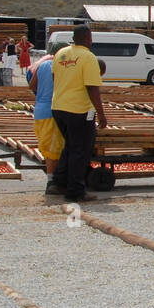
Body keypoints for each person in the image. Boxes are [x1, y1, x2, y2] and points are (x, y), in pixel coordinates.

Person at [50, 25, 108, 203]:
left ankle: (59, 183)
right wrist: (101, 114)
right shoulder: (88, 57)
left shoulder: (60, 54)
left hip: (58, 107)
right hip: (78, 109)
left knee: (70, 146)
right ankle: (75, 191)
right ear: (87, 38)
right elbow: (92, 87)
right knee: (80, 150)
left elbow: (55, 78)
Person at [27, 52, 62, 193]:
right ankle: (52, 182)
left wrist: (42, 93)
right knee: (54, 149)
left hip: (39, 111)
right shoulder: (60, 66)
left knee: (48, 147)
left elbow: (32, 85)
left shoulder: (43, 65)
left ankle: (55, 179)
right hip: (52, 111)